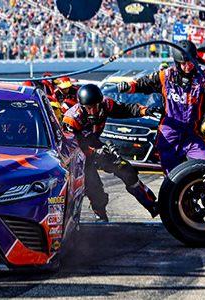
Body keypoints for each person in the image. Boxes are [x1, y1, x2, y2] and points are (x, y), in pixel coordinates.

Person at [117, 40, 205, 173]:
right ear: (176, 62)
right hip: (168, 135)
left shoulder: (204, 80)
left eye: (190, 62)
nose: (187, 66)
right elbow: (142, 83)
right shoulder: (165, 76)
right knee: (172, 177)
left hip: (192, 135)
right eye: (182, 63)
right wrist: (128, 86)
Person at [63, 84, 159, 222]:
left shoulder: (106, 104)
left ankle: (152, 205)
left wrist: (145, 111)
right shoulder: (71, 119)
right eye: (89, 107)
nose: (93, 111)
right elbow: (70, 146)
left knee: (126, 170)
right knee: (94, 187)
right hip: (79, 153)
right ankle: (100, 216)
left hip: (96, 144)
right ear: (82, 106)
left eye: (96, 106)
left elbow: (125, 109)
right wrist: (93, 152)